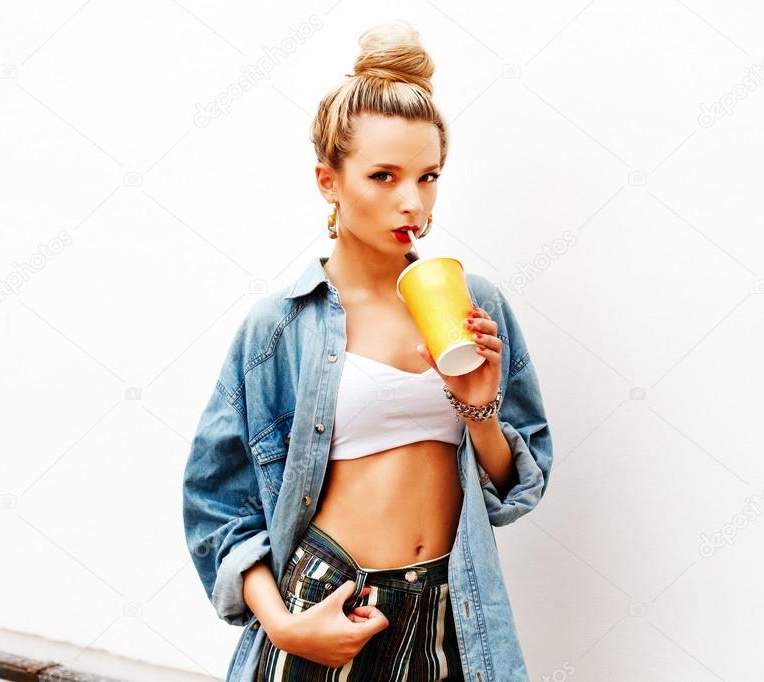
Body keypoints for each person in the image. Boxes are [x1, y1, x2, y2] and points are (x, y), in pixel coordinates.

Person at [183, 21, 553, 682]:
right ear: (328, 180)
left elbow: (515, 486)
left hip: (451, 607)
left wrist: (478, 409)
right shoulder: (279, 327)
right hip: (326, 601)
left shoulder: (477, 308)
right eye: (383, 176)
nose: (412, 202)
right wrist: (285, 623)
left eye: (428, 176)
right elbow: (218, 505)